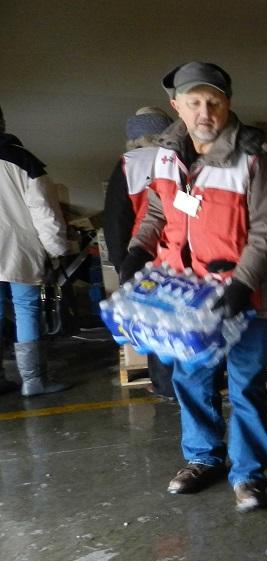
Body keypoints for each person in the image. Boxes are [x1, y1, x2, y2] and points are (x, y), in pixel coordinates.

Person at [119, 62, 267, 512]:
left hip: (245, 296)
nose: (204, 111)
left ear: (228, 103)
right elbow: (157, 210)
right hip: (188, 296)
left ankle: (248, 476)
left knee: (245, 385)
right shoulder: (166, 156)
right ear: (177, 106)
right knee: (190, 378)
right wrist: (138, 250)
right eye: (194, 102)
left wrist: (241, 286)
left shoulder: (256, 158)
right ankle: (202, 458)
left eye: (213, 101)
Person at [103, 106, 176, 399]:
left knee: (155, 323)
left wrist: (122, 262)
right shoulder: (175, 158)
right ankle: (191, 384)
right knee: (184, 321)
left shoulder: (127, 164)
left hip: (142, 254)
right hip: (179, 253)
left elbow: (116, 218)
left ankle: (164, 385)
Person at [0, 104, 71, 397]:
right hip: (18, 247)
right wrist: (56, 248)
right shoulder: (23, 160)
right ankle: (33, 381)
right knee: (26, 308)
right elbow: (44, 211)